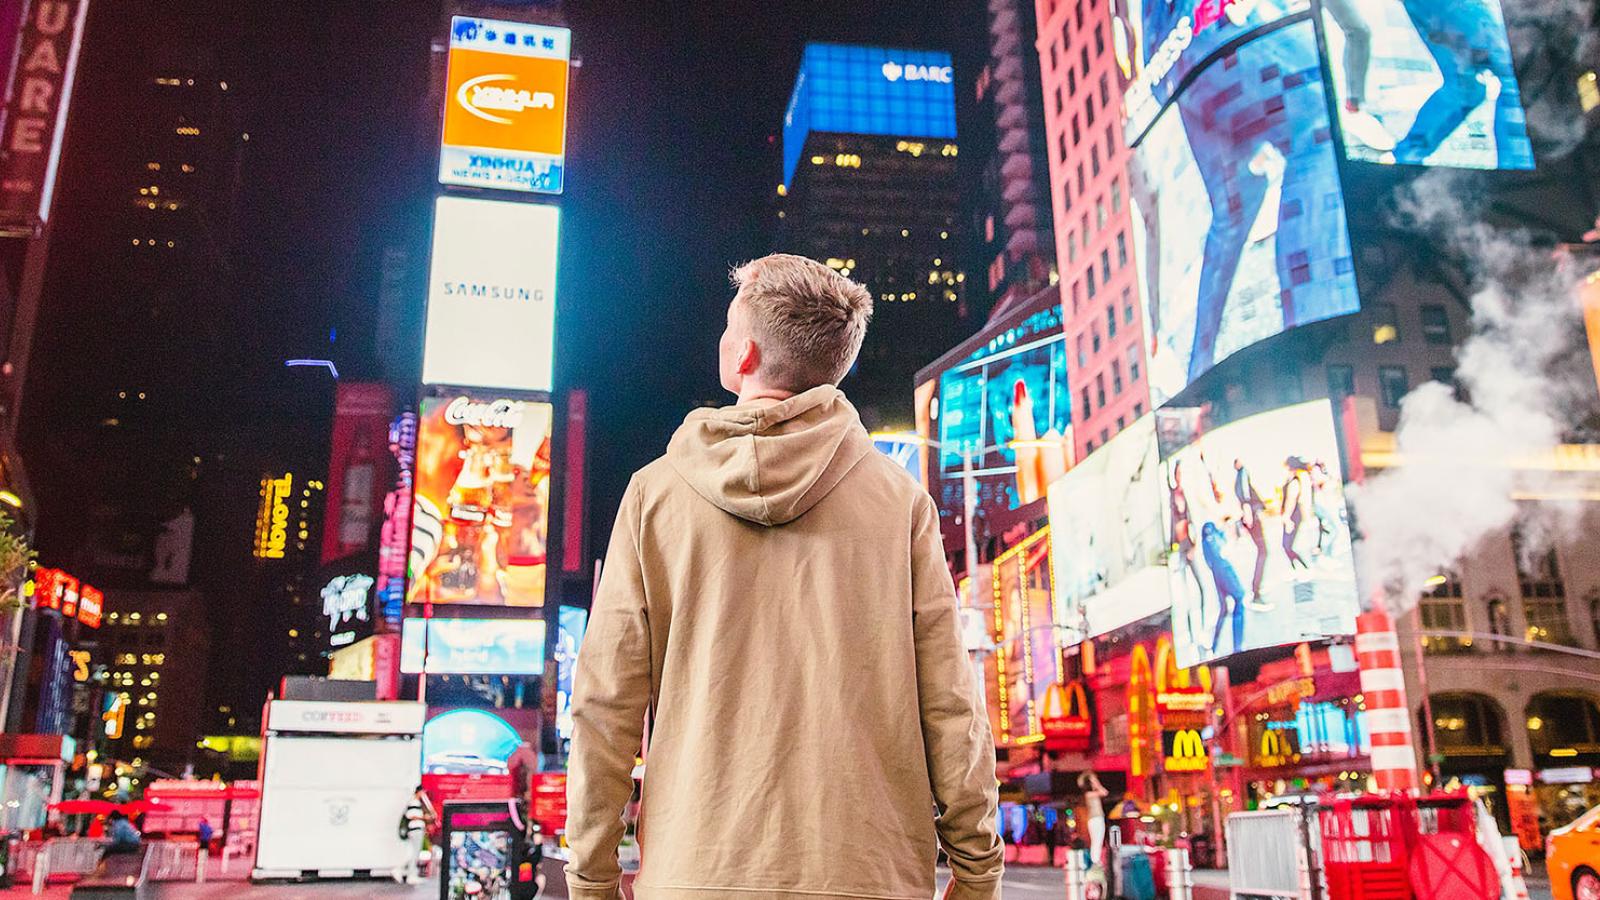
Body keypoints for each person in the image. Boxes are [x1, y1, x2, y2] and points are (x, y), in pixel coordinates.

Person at [566, 254, 1004, 900]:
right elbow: (950, 703)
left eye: (726, 326)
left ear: (742, 355)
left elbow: (606, 704)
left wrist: (593, 877)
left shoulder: (655, 496)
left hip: (695, 875)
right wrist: (977, 872)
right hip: (868, 876)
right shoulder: (900, 502)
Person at [397, 784, 436, 885]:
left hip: (416, 830)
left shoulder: (415, 802)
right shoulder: (414, 802)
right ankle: (408, 873)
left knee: (414, 852)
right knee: (414, 853)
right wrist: (424, 818)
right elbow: (411, 816)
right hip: (415, 830)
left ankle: (405, 871)